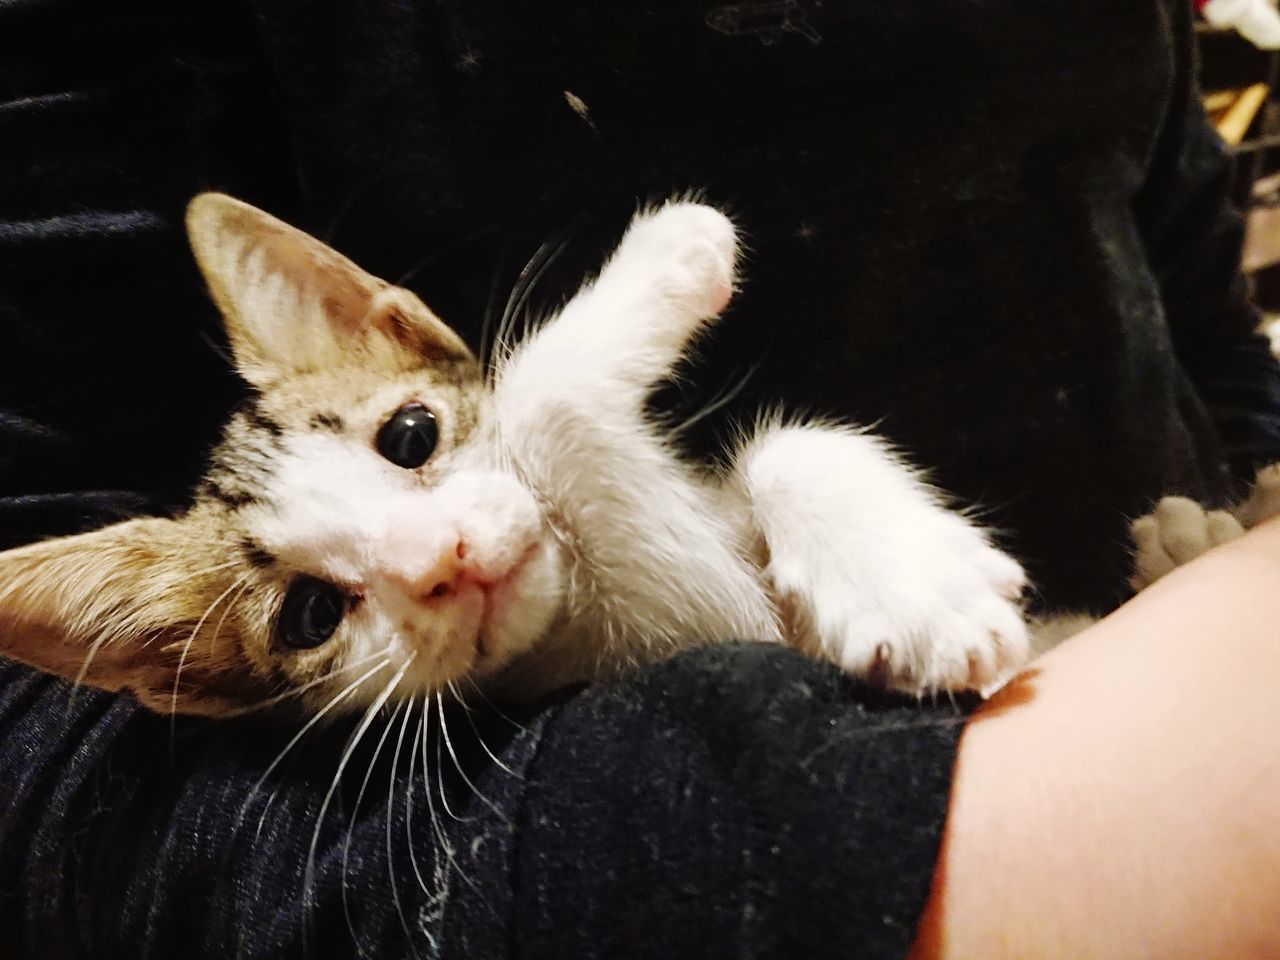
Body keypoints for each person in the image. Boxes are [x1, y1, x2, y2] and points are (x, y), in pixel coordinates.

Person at [1, 0, 1277, 956]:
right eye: (310, 613)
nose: (428, 556)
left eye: (405, 444)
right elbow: (62, 803)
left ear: (392, 327)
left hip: (1157, 600)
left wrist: (1249, 461)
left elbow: (1161, 209)